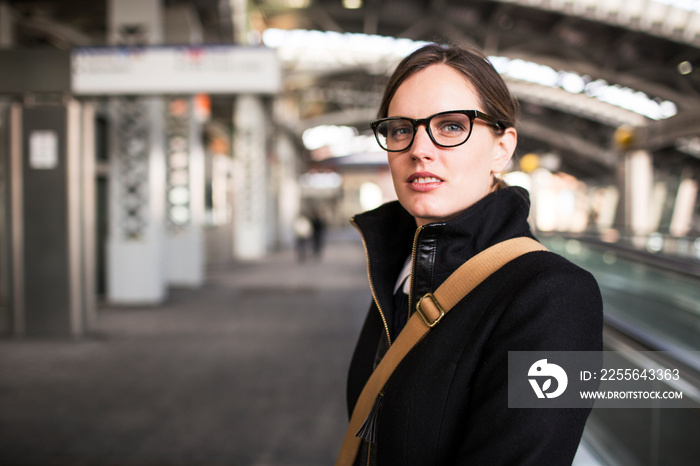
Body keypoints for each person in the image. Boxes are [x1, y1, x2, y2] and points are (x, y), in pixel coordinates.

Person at [344, 43, 603, 465]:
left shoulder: (562, 298)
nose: (418, 148)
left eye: (449, 127)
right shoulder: (399, 267)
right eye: (399, 129)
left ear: (502, 148)